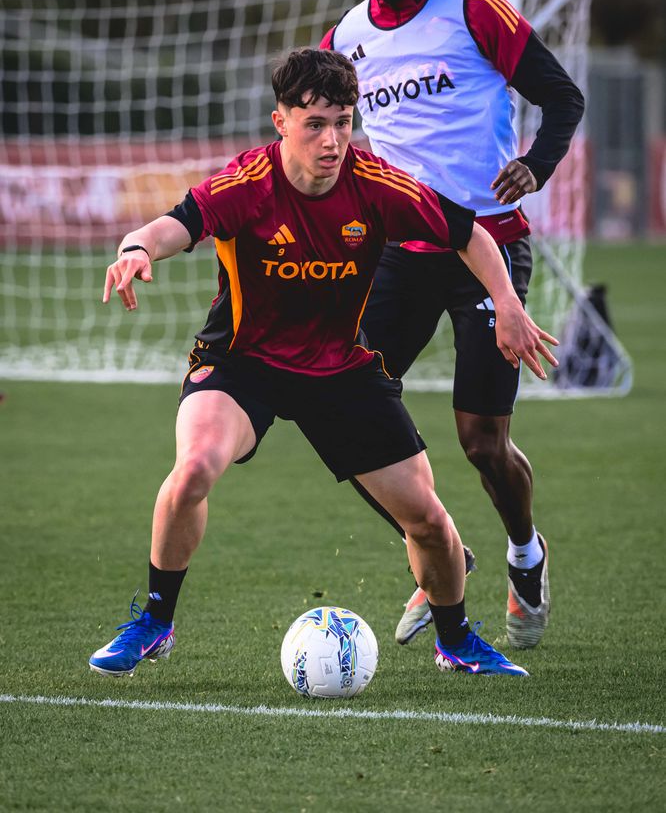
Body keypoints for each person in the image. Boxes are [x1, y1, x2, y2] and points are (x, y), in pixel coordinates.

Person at [89, 48, 557, 680]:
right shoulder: (248, 184)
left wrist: (506, 302)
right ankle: (154, 622)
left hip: (339, 369)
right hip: (242, 364)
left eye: (343, 122)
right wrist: (136, 249)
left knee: (427, 518)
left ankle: (457, 640)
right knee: (194, 467)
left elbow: (469, 233)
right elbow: (177, 224)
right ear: (280, 122)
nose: (332, 140)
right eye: (315, 124)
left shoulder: (377, 184)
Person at [321, 0, 585, 650]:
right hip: (399, 254)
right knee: (344, 413)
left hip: (488, 246)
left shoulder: (474, 9)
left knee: (480, 441)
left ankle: (525, 555)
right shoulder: (346, 39)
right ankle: (444, 553)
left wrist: (536, 164)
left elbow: (562, 97)